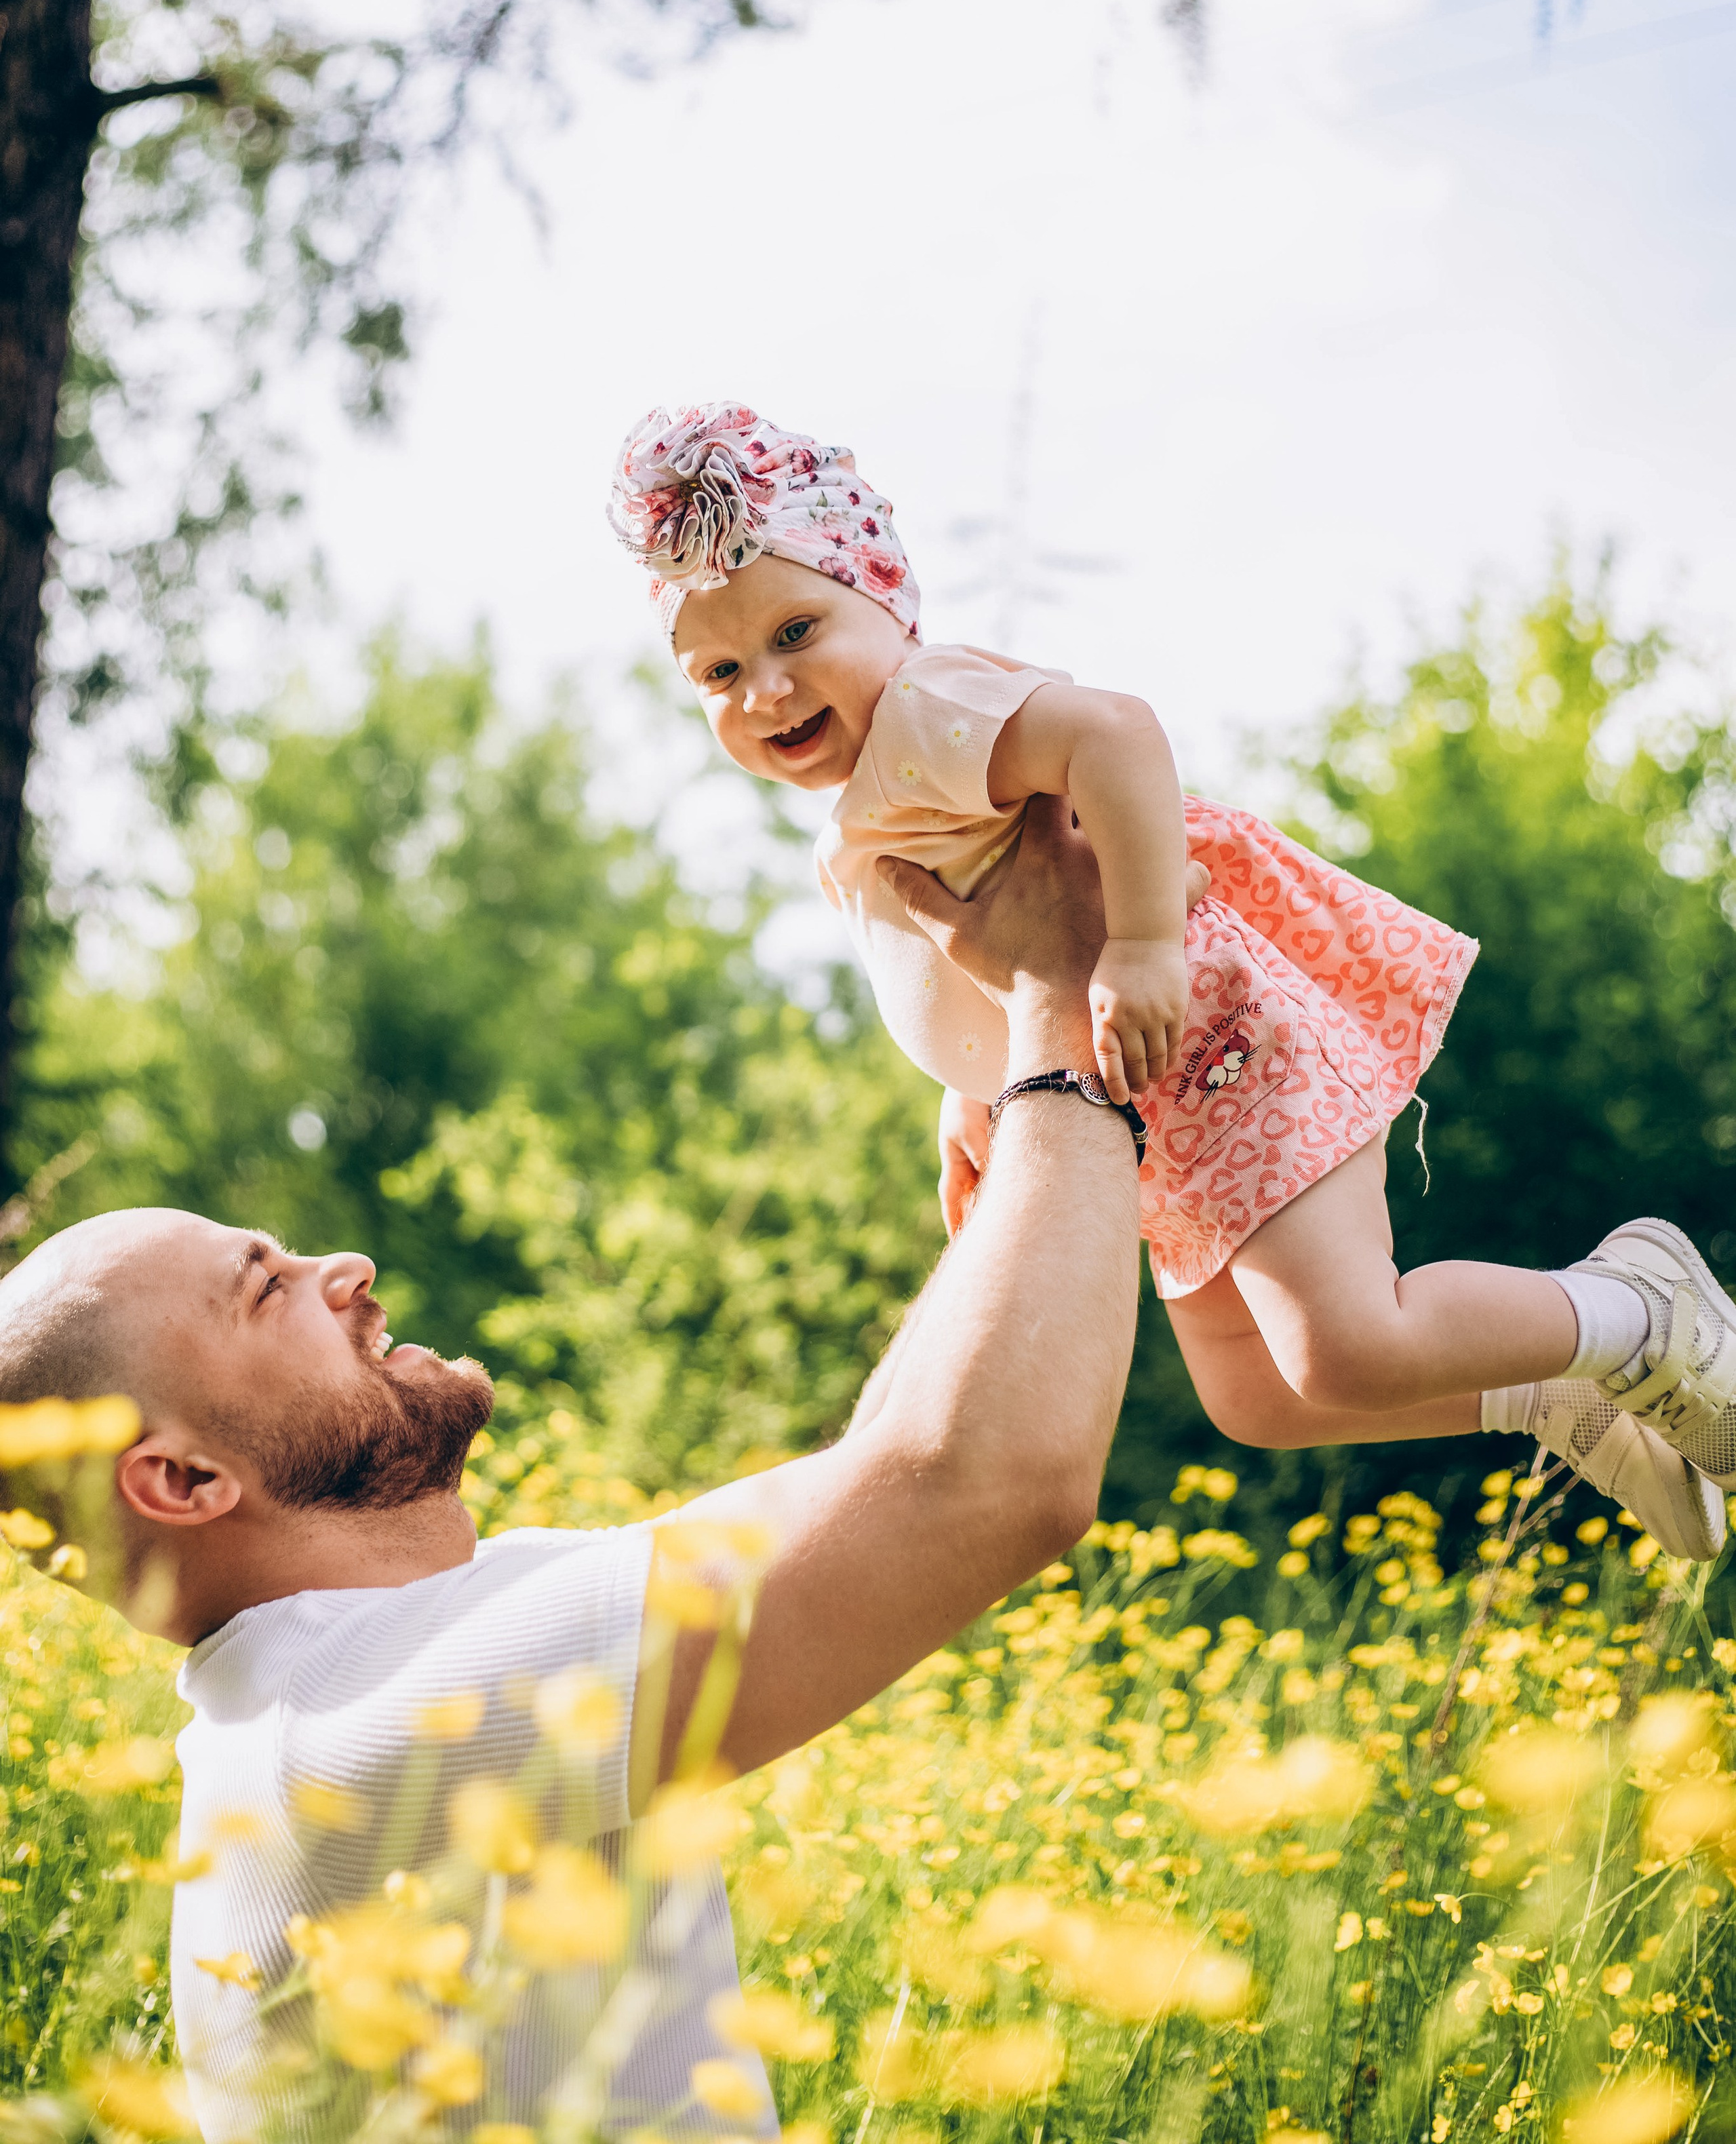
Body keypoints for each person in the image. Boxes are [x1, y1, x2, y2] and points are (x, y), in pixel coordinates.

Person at [0, 801, 1167, 2142]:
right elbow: (980, 1484)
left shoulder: (384, 1667)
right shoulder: (370, 1731)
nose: (345, 1271)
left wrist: (999, 1224)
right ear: (186, 1483)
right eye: (267, 1289)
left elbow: (870, 1477)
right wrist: (1059, 1008)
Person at [609, 399, 1736, 1560]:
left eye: (798, 631)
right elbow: (986, 941)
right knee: (1261, 1398)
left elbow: (1115, 734)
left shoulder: (923, 715)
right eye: (720, 669)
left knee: (1345, 1347)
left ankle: (1638, 1312)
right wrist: (975, 1097)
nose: (766, 690)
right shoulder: (880, 786)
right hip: (1154, 1097)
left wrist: (1145, 942)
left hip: (1210, 1045)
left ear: (883, 598)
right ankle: (1572, 1385)